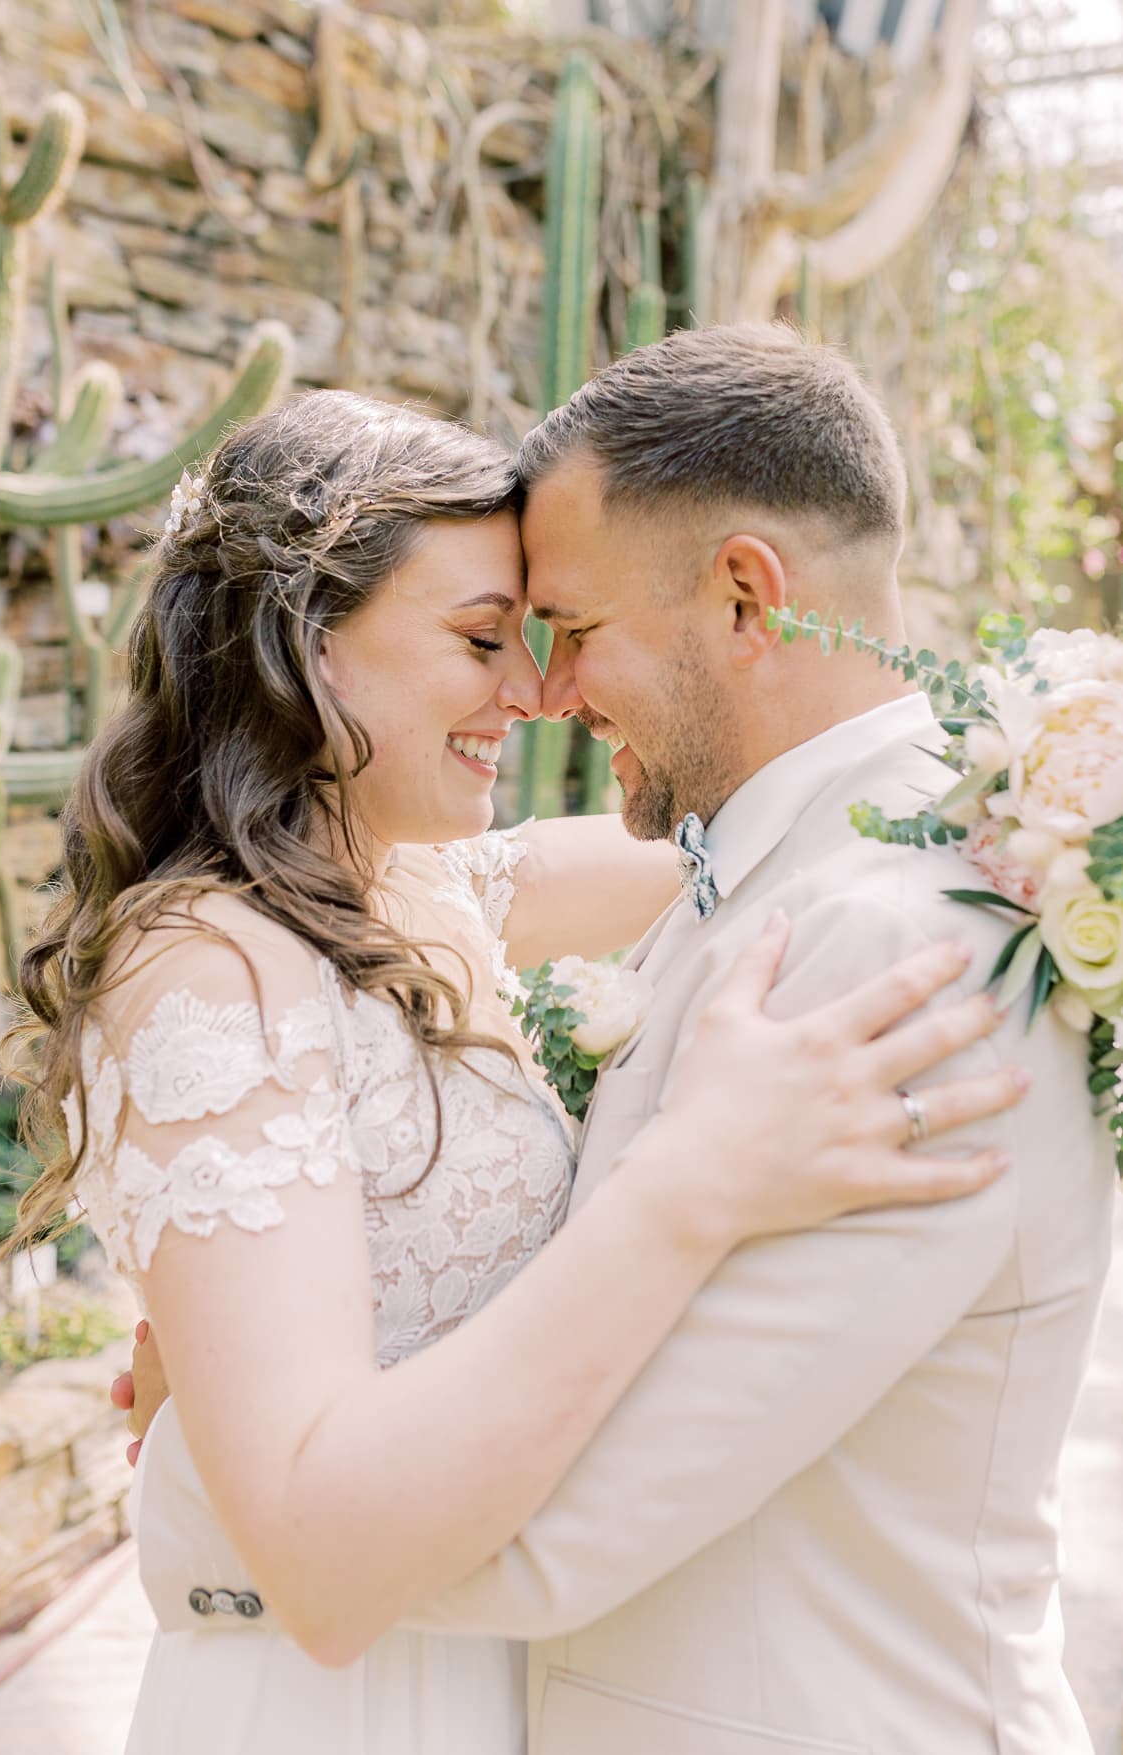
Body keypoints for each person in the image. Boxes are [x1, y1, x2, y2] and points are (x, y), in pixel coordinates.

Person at [129, 327, 1112, 1755]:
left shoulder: (901, 952)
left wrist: (208, 1463)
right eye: (494, 640)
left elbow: (560, 1529)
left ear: (741, 599)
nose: (546, 696)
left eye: (567, 632)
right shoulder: (794, 872)